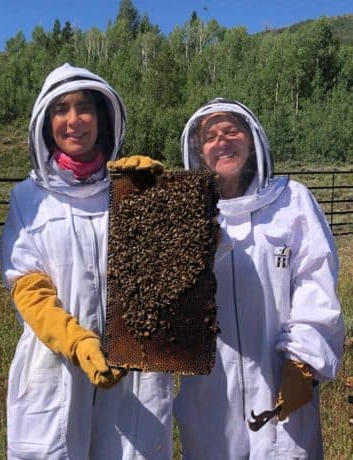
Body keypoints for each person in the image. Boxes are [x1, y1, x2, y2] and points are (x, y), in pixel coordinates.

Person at [0, 63, 173, 459]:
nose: (73, 120)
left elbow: (174, 266)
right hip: (56, 364)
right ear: (47, 122)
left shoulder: (133, 189)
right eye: (61, 109)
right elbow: (28, 286)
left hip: (135, 368)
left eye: (84, 108)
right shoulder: (29, 198)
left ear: (102, 119)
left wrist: (164, 202)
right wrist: (76, 341)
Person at [174, 98, 345, 459]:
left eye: (231, 130)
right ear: (199, 152)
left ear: (251, 140)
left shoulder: (292, 201)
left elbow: (316, 283)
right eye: (210, 136)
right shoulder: (185, 213)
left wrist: (303, 361)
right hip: (211, 388)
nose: (222, 140)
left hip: (280, 380)